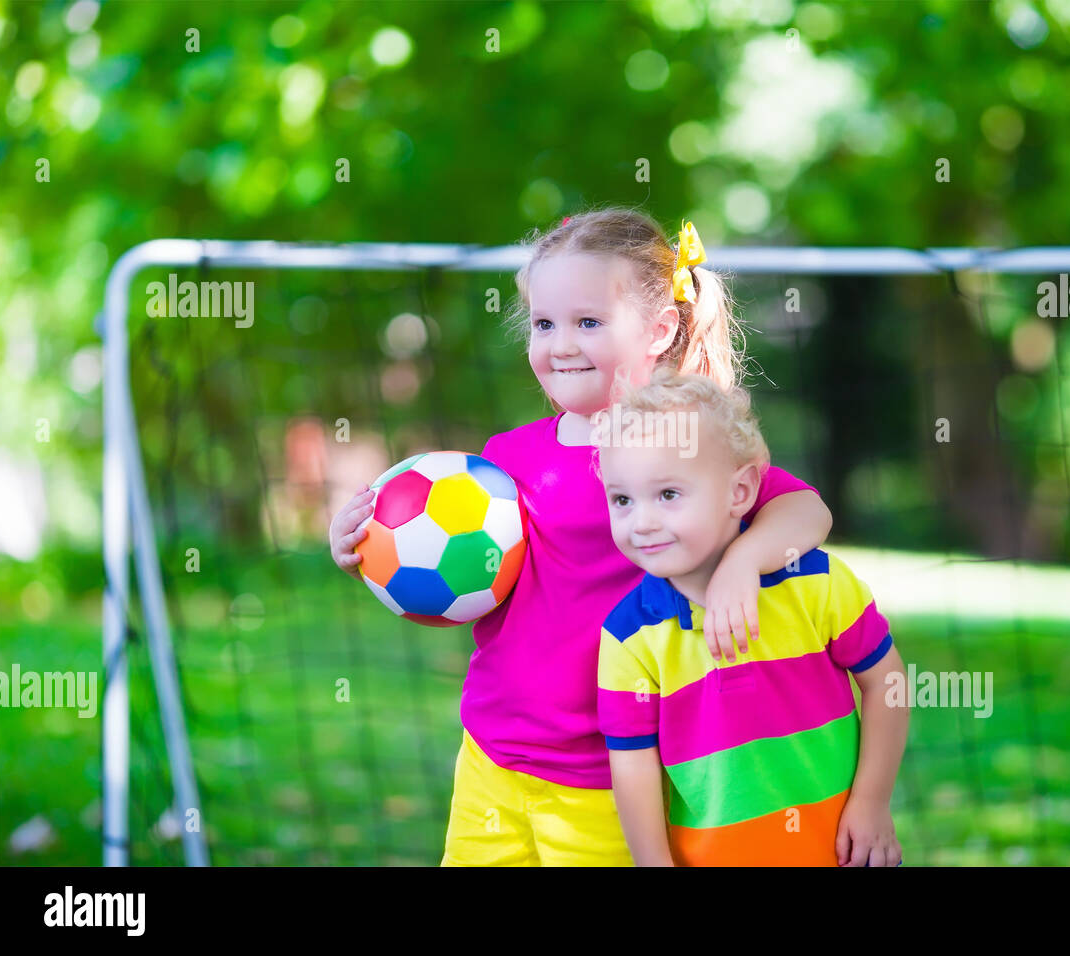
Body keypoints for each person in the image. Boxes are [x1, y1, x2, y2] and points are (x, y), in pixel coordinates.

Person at [328, 207, 834, 865]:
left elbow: (807, 511)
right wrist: (369, 553)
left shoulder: (679, 447)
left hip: (613, 772)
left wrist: (743, 561)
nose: (559, 344)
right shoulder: (503, 459)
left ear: (660, 330)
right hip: (493, 757)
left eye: (587, 322)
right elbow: (475, 590)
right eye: (544, 324)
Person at [594, 367, 908, 866]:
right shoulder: (629, 636)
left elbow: (886, 682)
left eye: (668, 494)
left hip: (839, 851)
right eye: (622, 500)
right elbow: (633, 765)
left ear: (739, 493)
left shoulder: (817, 584)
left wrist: (872, 803)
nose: (642, 521)